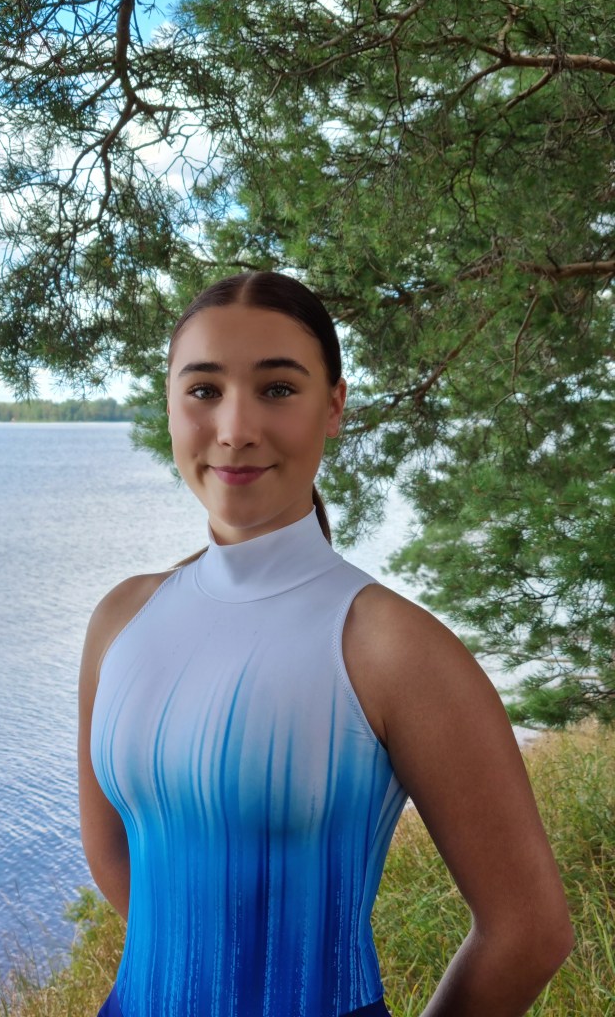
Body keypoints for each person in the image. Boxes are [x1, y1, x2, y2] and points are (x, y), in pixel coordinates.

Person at [77, 272, 573, 1017]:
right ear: (170, 405)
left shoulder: (390, 648)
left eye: (277, 389)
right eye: (204, 390)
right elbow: (116, 861)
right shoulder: (121, 619)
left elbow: (530, 933)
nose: (235, 428)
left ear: (334, 406)